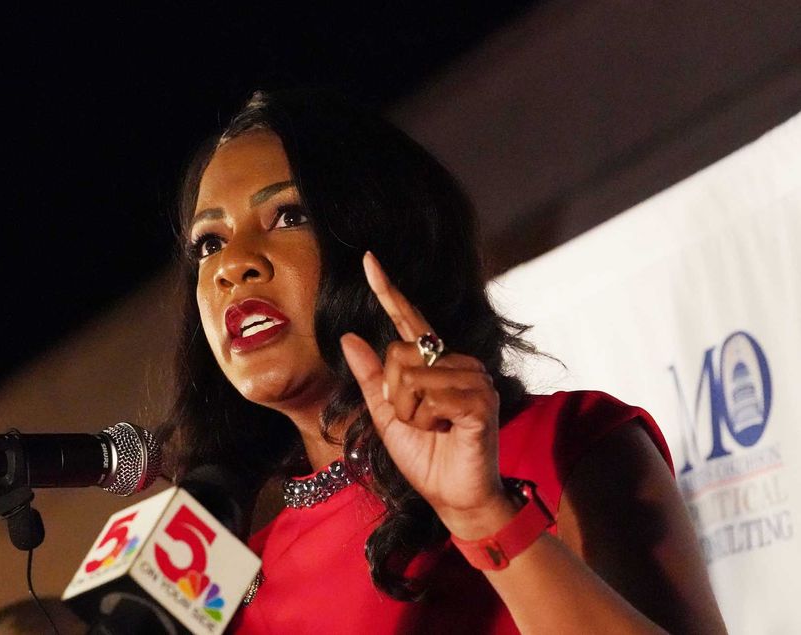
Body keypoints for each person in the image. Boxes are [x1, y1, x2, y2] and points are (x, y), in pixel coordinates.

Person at [156, 89, 726, 633]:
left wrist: (485, 518)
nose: (233, 266)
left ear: (384, 237)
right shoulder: (216, 579)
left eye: (287, 216)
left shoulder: (561, 443)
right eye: (209, 244)